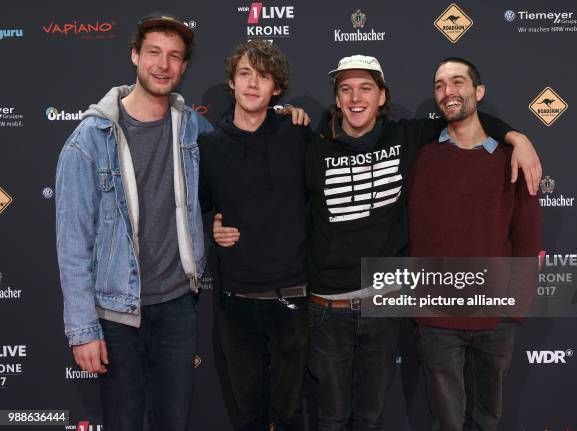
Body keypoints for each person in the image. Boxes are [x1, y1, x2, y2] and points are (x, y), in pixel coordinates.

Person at [215, 54, 541, 430]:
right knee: (332, 418)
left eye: (366, 88)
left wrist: (516, 136)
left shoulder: (408, 137)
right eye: (346, 89)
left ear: (382, 96)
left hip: (383, 307)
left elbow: (465, 117)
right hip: (326, 308)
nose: (356, 98)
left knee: (372, 418)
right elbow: (271, 192)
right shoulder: (310, 144)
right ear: (336, 99)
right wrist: (225, 221)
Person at [55, 12, 212, 431]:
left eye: (174, 57)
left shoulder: (193, 128)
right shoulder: (89, 140)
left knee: (172, 422)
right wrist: (82, 329)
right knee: (123, 423)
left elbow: (242, 145)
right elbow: (72, 244)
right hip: (117, 313)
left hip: (179, 306)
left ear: (184, 67)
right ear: (134, 56)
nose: (163, 65)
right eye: (154, 53)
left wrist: (284, 112)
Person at [408, 57, 541, 431]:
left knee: (487, 420)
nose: (447, 92)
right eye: (439, 85)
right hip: (436, 318)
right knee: (446, 423)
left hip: (494, 319)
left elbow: (527, 240)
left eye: (457, 82)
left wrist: (511, 311)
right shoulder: (422, 156)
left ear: (478, 92)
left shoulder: (512, 160)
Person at [198, 40, 310, 431]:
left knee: (291, 415)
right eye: (245, 73)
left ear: (276, 88)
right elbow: (200, 207)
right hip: (236, 303)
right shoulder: (209, 145)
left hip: (292, 299)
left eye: (263, 76)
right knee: (248, 416)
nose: (252, 84)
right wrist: (212, 228)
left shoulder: (298, 133)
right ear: (231, 82)